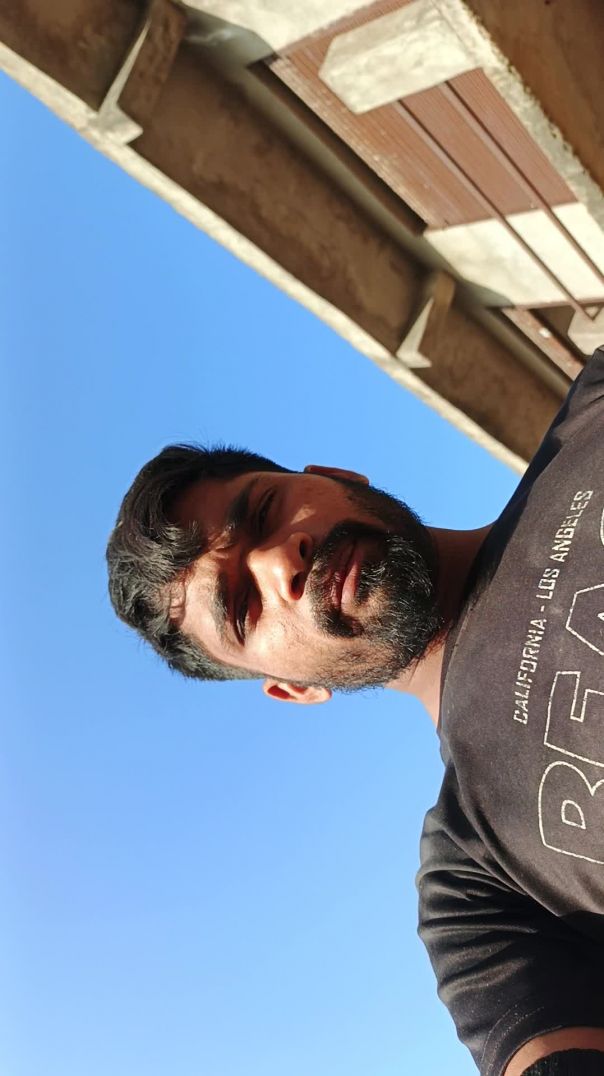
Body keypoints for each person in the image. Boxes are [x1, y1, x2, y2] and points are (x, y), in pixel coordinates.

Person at [106, 347, 604, 1075]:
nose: (280, 563)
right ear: (293, 689)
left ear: (338, 476)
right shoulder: (474, 890)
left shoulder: (593, 409)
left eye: (264, 512)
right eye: (242, 607)